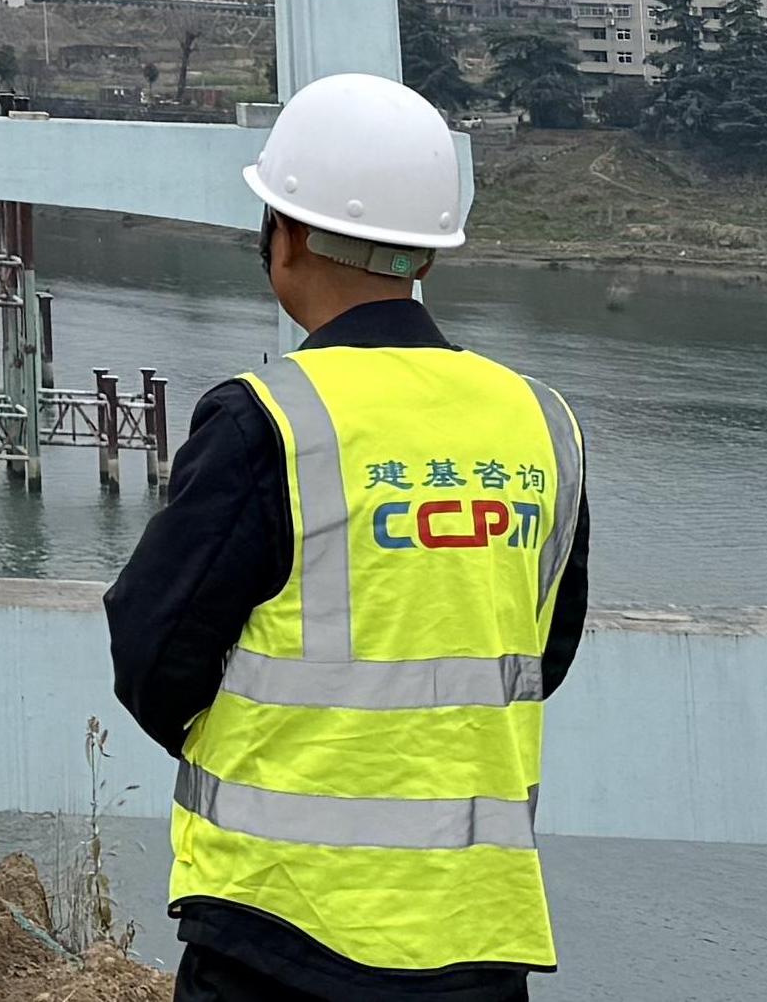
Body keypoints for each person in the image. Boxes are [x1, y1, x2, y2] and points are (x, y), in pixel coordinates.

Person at [104, 71, 590, 999]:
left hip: (273, 925)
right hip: (473, 932)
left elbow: (152, 652)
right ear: (426, 254)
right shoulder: (541, 423)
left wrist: (271, 747)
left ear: (282, 235)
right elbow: (544, 650)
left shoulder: (266, 420)